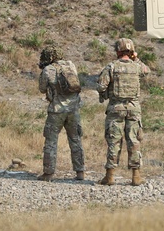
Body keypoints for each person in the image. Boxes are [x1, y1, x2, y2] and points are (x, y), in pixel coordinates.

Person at [96, 38, 151, 186]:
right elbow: (146, 71)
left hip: (116, 109)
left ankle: (110, 176)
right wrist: (136, 58)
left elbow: (101, 86)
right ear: (131, 51)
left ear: (117, 51)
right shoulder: (137, 67)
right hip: (133, 109)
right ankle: (136, 177)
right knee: (134, 141)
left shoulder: (111, 67)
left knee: (114, 142)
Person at [37, 45, 85, 182]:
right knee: (76, 140)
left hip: (57, 111)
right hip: (74, 109)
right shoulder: (71, 65)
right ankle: (80, 172)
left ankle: (48, 173)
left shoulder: (48, 69)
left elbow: (41, 89)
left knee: (51, 142)